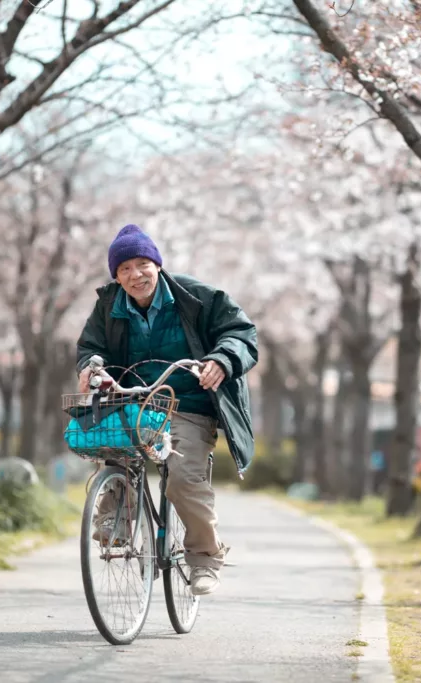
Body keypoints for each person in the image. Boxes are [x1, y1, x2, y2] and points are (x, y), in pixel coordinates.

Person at [75, 224, 258, 596]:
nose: (135, 274)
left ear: (157, 265)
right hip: (134, 399)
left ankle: (206, 557)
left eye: (143, 264)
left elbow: (241, 333)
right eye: (124, 268)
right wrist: (92, 368)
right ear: (116, 275)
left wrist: (222, 360)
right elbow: (92, 346)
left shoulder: (197, 297)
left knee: (183, 478)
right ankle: (115, 521)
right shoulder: (109, 304)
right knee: (113, 450)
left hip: (188, 403)